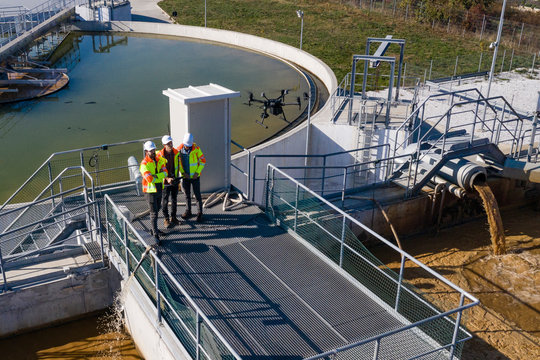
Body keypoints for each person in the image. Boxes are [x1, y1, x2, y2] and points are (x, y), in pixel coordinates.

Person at [140, 140, 169, 242]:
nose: (153, 152)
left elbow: (165, 173)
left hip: (158, 188)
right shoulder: (144, 164)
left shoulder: (159, 160)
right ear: (146, 152)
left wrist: (156, 175)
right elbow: (149, 179)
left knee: (158, 209)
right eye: (151, 151)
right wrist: (159, 176)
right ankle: (155, 234)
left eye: (153, 150)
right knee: (154, 213)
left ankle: (154, 229)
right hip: (150, 191)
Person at [178, 133, 206, 222]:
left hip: (195, 177)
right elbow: (178, 164)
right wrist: (182, 173)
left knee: (197, 195)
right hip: (185, 177)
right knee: (187, 195)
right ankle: (188, 211)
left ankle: (200, 213)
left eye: (188, 146)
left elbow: (203, 161)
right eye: (186, 146)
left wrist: (197, 173)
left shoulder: (197, 149)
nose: (187, 147)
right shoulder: (178, 150)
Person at [157, 135, 180, 228]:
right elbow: (160, 170)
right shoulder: (160, 155)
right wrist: (167, 179)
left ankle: (173, 217)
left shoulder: (176, 152)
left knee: (174, 200)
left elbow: (179, 165)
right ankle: (166, 219)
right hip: (165, 183)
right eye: (168, 144)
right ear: (164, 145)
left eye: (171, 143)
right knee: (165, 201)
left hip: (174, 180)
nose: (170, 145)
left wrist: (178, 179)